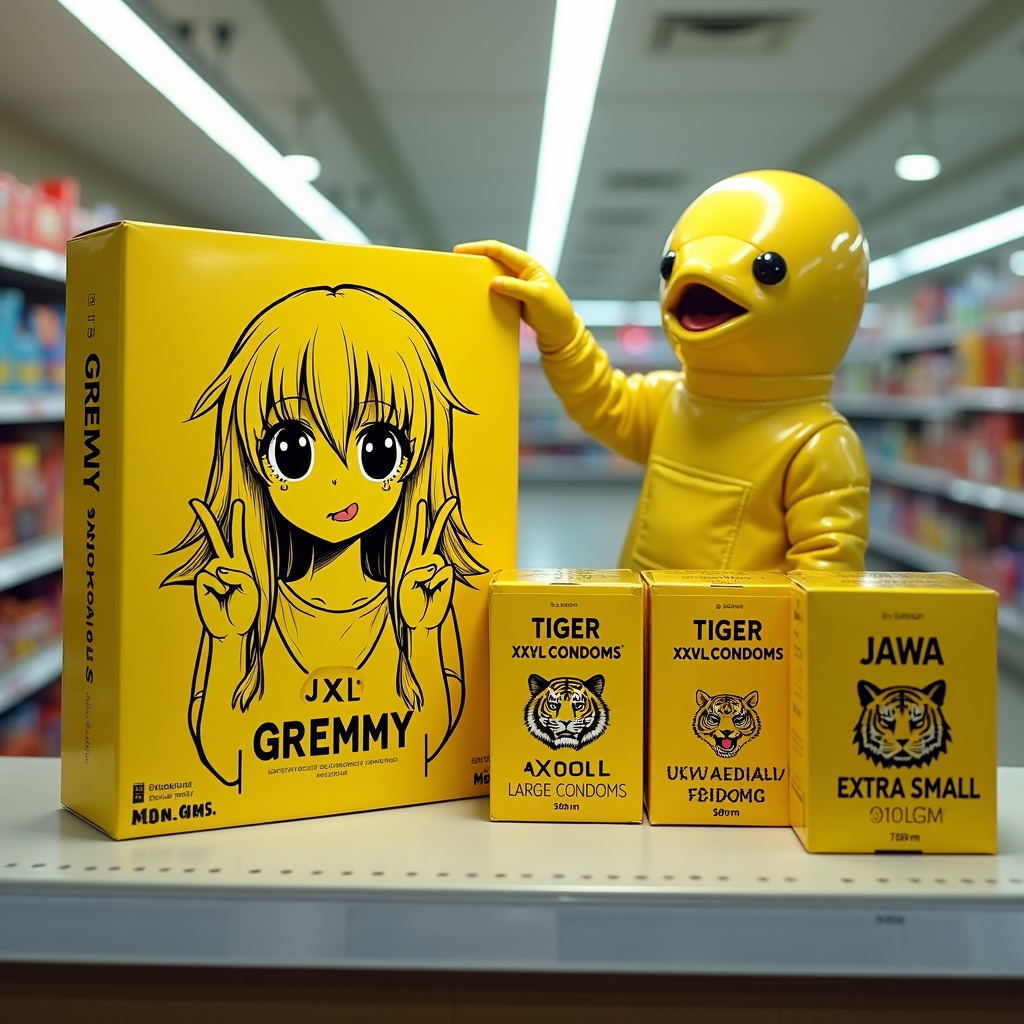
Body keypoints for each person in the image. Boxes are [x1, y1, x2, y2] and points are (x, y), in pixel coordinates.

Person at [163, 284, 483, 790]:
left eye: (378, 449)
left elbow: (433, 750)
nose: (338, 483)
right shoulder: (243, 599)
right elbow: (224, 759)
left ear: (416, 459)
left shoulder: (419, 594)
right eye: (293, 450)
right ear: (250, 459)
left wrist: (422, 631)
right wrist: (228, 640)